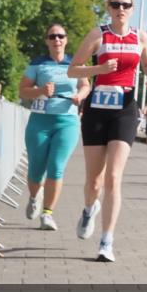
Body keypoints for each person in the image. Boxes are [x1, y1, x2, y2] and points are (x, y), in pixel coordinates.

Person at [68, 0, 147, 262]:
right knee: (94, 180)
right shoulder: (98, 35)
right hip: (97, 109)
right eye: (116, 4)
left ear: (132, 9)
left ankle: (106, 241)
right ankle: (88, 209)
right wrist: (98, 70)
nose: (121, 8)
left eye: (126, 5)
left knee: (113, 178)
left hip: (125, 109)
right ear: (108, 7)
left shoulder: (140, 37)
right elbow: (73, 69)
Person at [18, 24, 89, 230]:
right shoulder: (38, 64)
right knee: (36, 169)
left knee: (56, 168)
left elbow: (85, 85)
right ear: (47, 40)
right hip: (40, 121)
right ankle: (33, 197)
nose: (57, 39)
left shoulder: (75, 63)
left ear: (66, 40)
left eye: (60, 36)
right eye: (52, 36)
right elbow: (23, 91)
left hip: (67, 121)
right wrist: (40, 89)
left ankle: (47, 214)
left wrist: (80, 96)